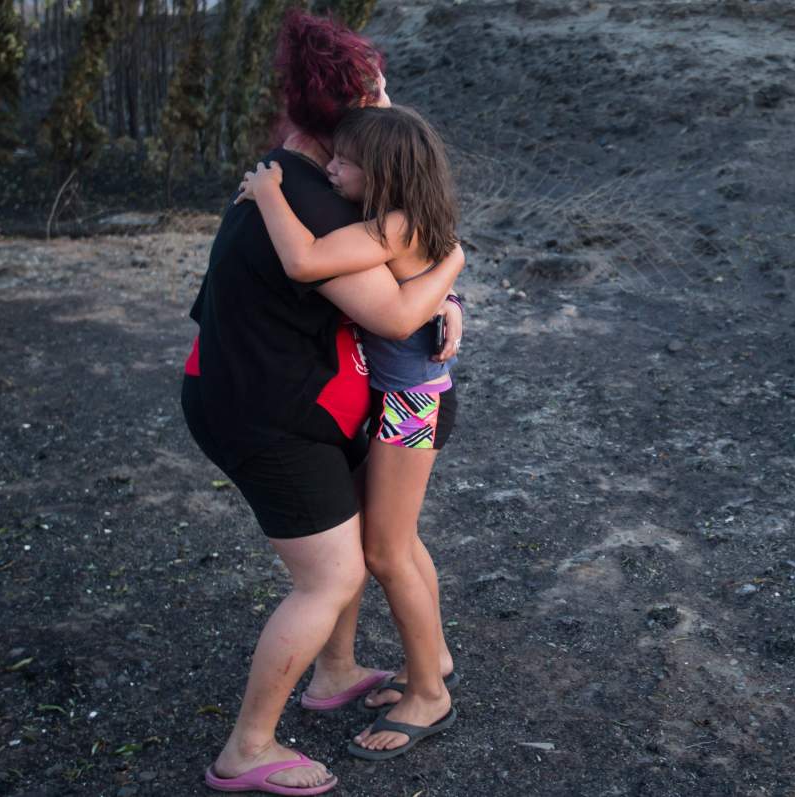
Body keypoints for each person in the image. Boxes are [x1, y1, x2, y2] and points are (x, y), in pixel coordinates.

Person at [181, 11, 462, 795]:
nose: (385, 95)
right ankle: (250, 745)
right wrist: (446, 281)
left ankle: (372, 672)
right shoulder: (319, 200)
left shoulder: (299, 182)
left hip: (379, 403)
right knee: (348, 567)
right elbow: (394, 308)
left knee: (383, 547)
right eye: (374, 86)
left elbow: (403, 299)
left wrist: (446, 286)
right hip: (282, 407)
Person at [237, 103, 462, 760]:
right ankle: (435, 656)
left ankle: (428, 692)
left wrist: (268, 192)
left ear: (383, 173)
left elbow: (304, 262)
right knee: (393, 539)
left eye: (344, 162)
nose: (331, 169)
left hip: (410, 405)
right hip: (412, 400)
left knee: (386, 553)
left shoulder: (392, 225)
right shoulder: (409, 216)